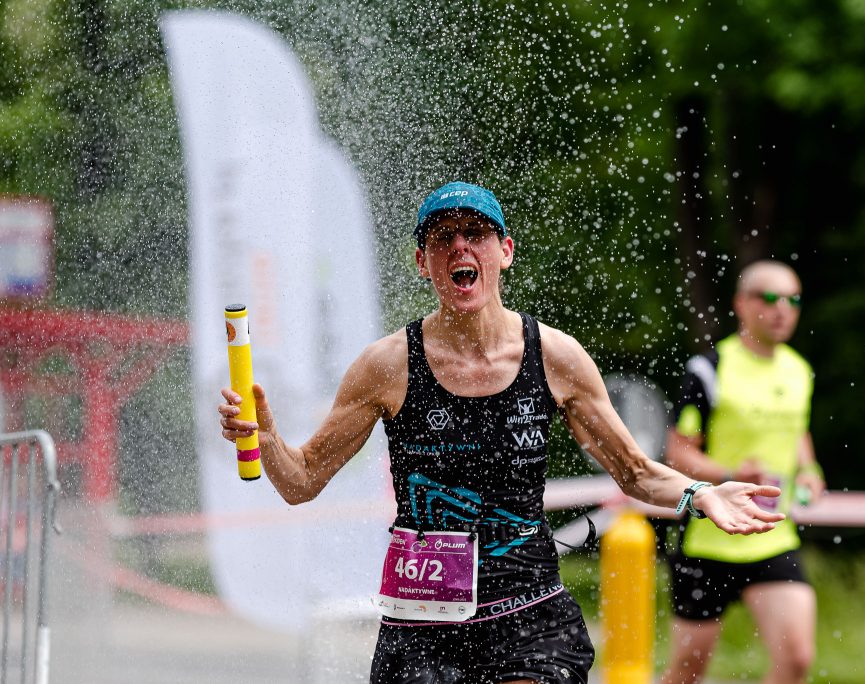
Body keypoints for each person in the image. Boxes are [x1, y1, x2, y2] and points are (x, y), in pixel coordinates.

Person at [219, 181, 785, 684]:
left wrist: (701, 492)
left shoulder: (556, 357)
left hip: (528, 615)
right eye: (442, 239)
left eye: (476, 234)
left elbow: (635, 473)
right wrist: (265, 434)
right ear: (423, 262)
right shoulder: (386, 365)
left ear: (504, 252)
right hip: (422, 625)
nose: (460, 247)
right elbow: (301, 482)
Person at [659, 260, 827, 684]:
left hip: (772, 537)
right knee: (687, 670)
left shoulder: (798, 370)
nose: (782, 309)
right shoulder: (710, 369)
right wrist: (731, 471)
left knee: (797, 660)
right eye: (770, 298)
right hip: (710, 539)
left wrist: (809, 469)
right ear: (741, 303)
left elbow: (796, 430)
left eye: (793, 299)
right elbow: (677, 453)